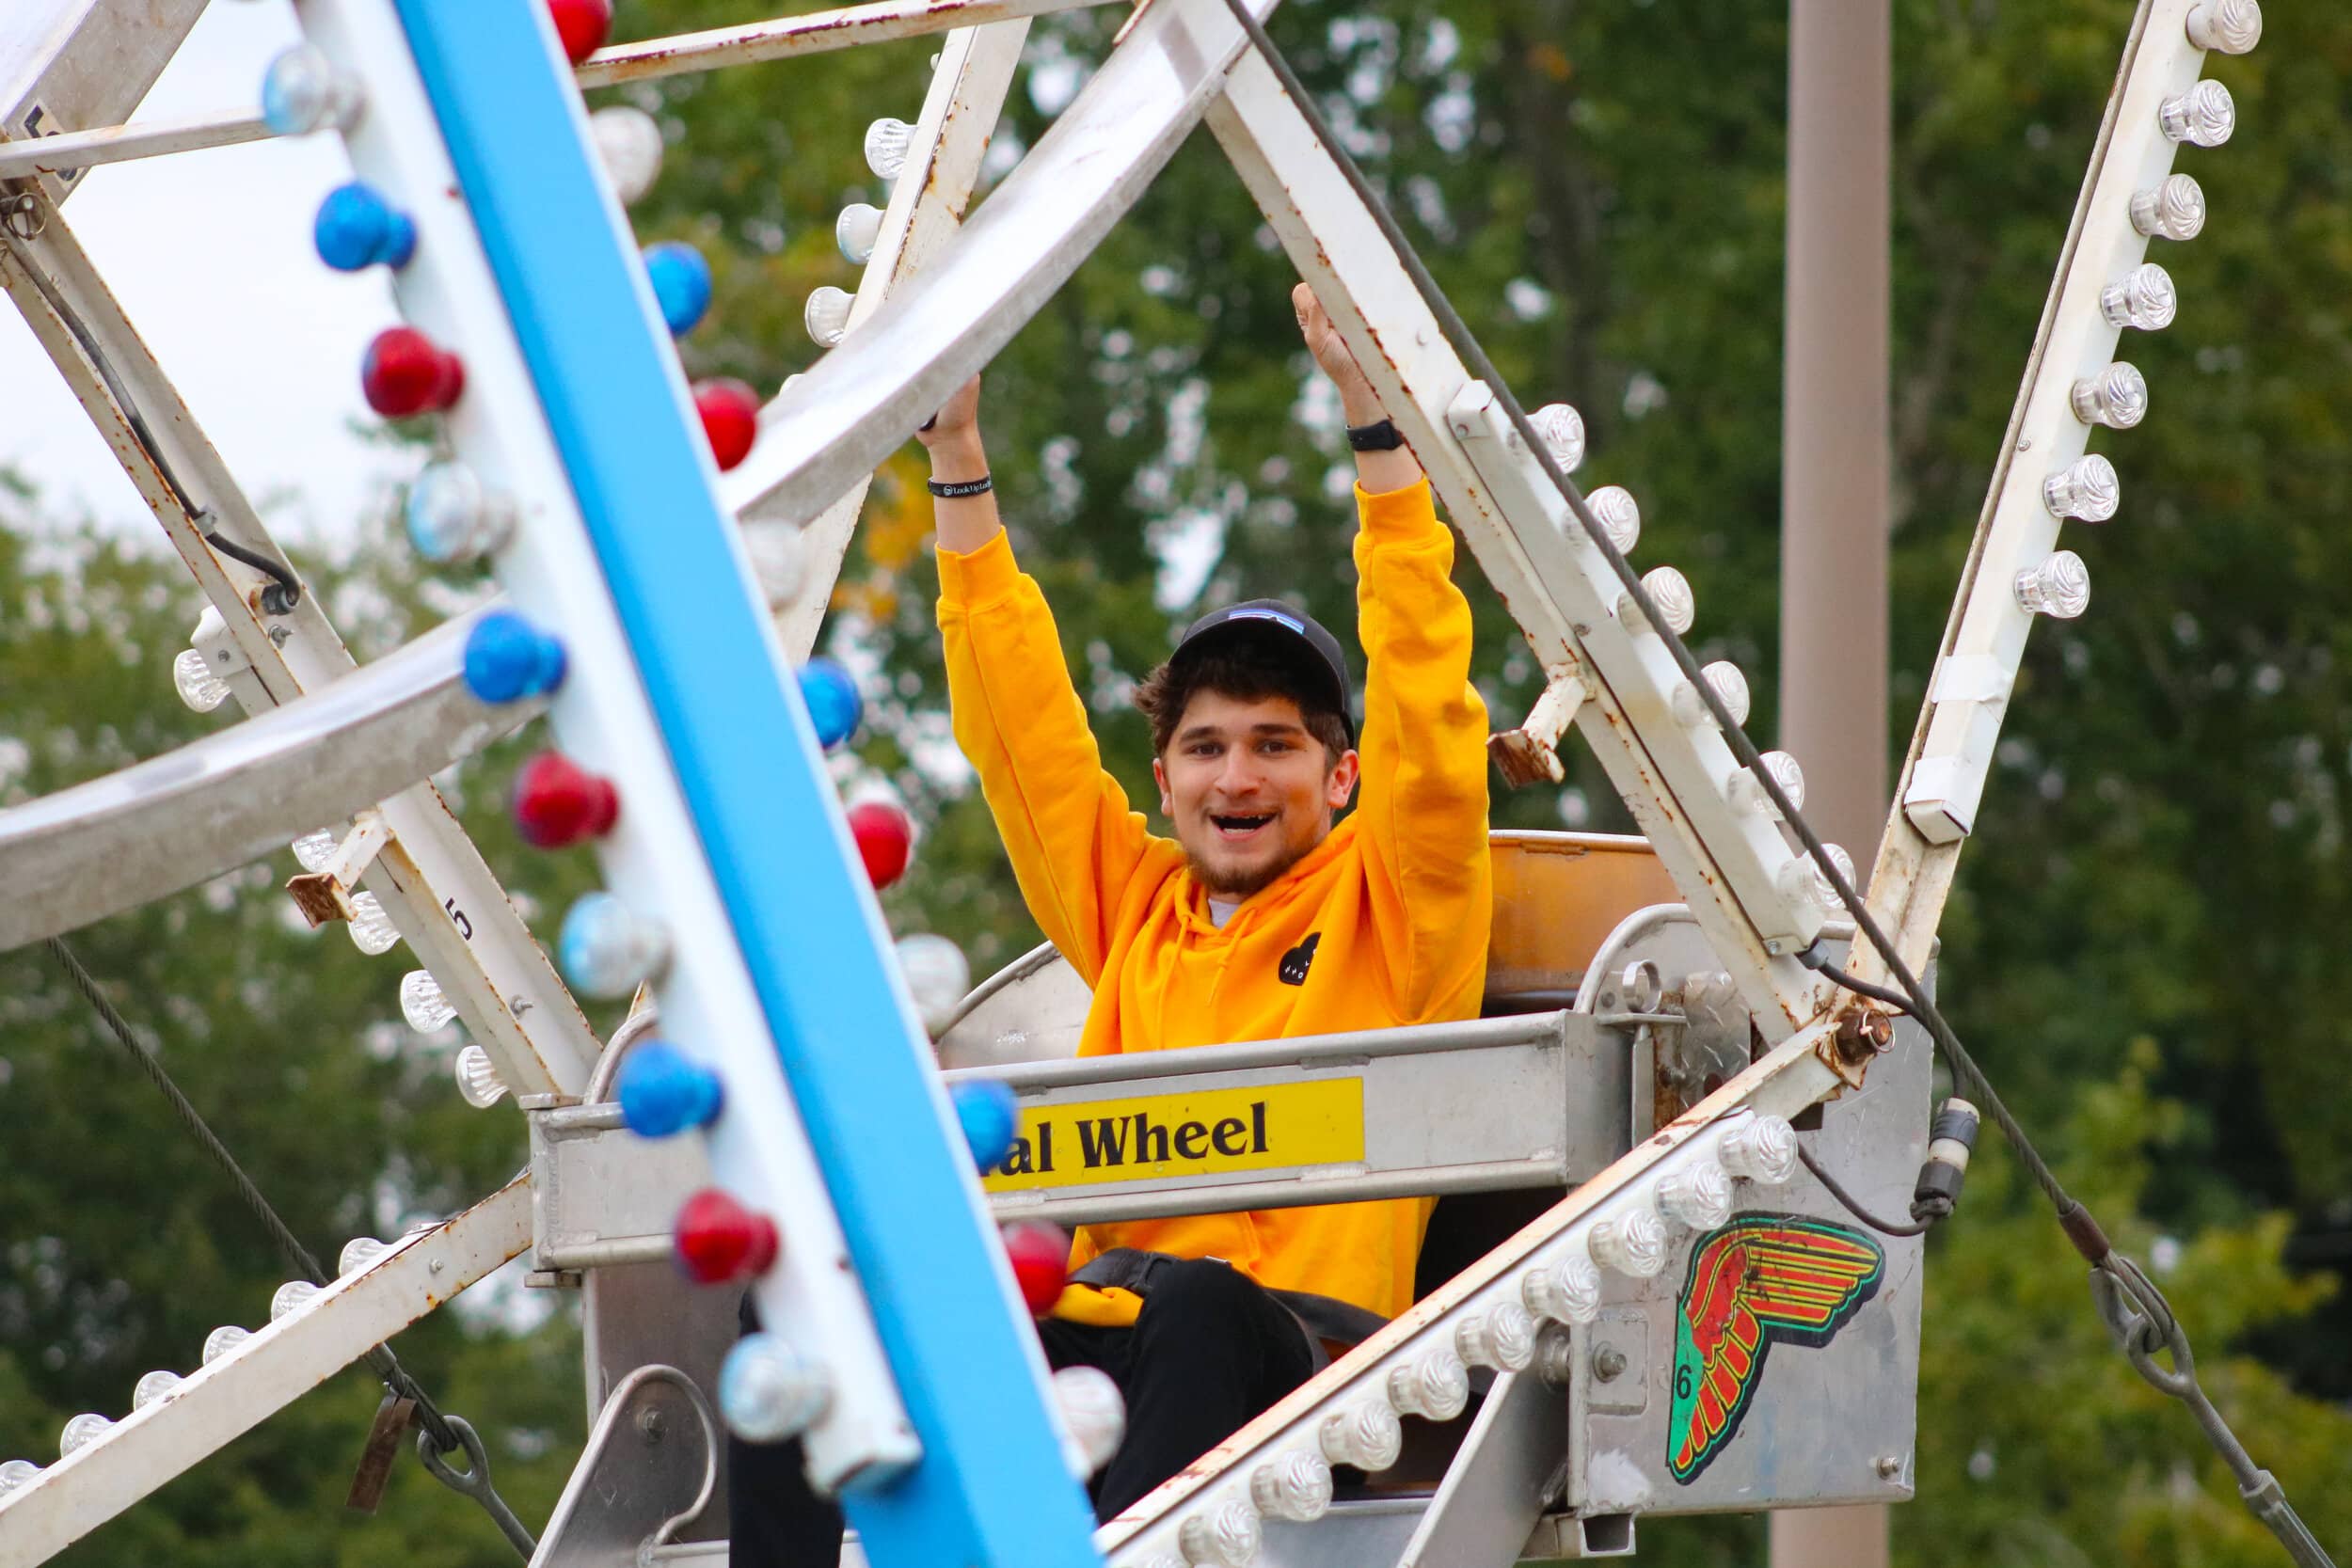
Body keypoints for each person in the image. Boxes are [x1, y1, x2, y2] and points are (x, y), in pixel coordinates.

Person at [727, 284, 1491, 1561]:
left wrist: (1377, 438)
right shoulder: (1135, 906)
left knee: (1193, 1301)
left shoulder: (1396, 901)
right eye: (1205, 749)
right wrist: (958, 463)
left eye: (1275, 747)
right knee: (812, 1304)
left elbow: (1428, 711)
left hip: (1304, 1349)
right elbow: (1022, 743)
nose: (1237, 779)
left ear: (1340, 779)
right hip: (1111, 1330)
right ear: (1166, 781)